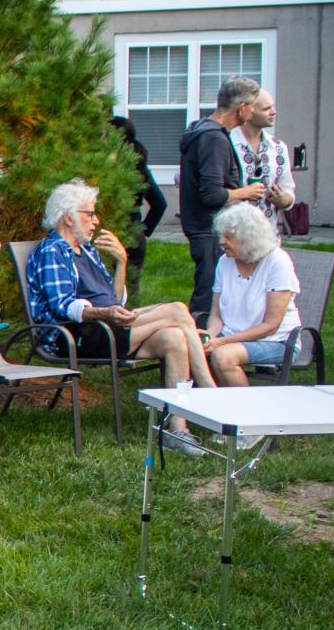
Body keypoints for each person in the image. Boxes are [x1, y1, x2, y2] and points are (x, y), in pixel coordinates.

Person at [23, 179, 217, 456]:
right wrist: (107, 313)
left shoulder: (87, 250)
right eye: (89, 214)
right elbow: (63, 306)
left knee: (174, 337)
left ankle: (177, 430)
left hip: (109, 326)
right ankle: (211, 392)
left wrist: (122, 261)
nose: (96, 220)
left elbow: (116, 301)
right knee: (176, 309)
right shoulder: (52, 251)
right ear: (68, 217)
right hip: (79, 335)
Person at [178, 76, 265, 320]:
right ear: (241, 108)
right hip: (210, 231)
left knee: (216, 296)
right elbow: (212, 194)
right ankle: (197, 348)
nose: (254, 110)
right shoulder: (213, 138)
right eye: (254, 105)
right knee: (206, 300)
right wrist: (246, 192)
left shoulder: (201, 129)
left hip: (204, 229)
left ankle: (205, 347)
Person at [204, 203, 301, 387]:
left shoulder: (277, 262)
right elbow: (216, 315)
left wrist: (222, 342)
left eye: (229, 236)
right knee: (192, 348)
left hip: (276, 341)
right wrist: (209, 337)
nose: (221, 241)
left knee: (223, 357)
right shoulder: (225, 262)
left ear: (249, 237)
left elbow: (270, 326)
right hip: (231, 336)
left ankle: (247, 412)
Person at [111, 115, 169, 303]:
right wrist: (142, 230)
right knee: (131, 289)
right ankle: (132, 327)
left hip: (110, 230)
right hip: (133, 231)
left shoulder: (107, 171)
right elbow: (159, 204)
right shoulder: (138, 166)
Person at [229, 88, 296, 228]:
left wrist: (282, 199)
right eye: (266, 108)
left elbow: (288, 191)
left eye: (272, 106)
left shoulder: (278, 148)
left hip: (267, 237)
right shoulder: (226, 144)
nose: (273, 112)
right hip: (230, 235)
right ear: (247, 111)